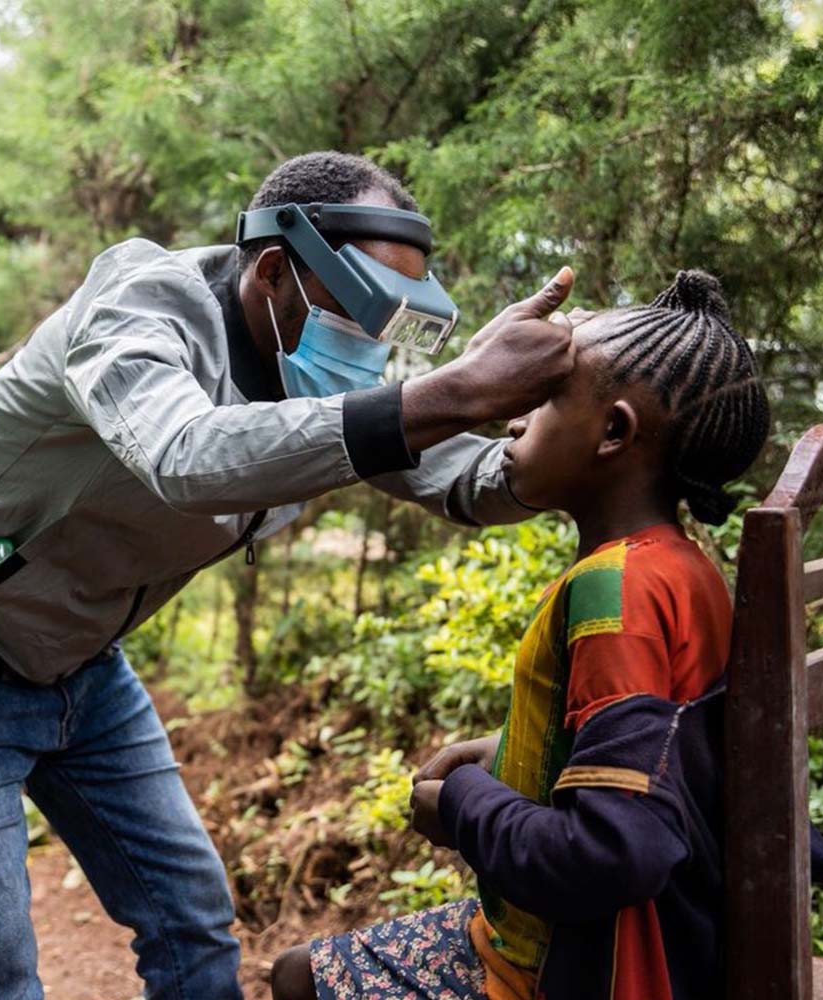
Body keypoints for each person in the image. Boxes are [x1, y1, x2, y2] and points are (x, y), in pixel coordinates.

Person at [0, 151, 576, 1000]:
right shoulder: (140, 308)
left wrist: (562, 438)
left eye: (391, 328)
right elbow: (186, 455)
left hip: (85, 666)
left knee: (192, 920)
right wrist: (450, 392)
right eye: (357, 315)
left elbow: (463, 477)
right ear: (274, 269)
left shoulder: (308, 369)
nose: (369, 351)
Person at [268, 270, 772, 1000]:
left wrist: (465, 803)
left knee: (298, 981)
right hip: (652, 935)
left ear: (614, 432)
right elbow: (655, 760)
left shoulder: (617, 591)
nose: (510, 423)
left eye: (540, 403)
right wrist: (510, 757)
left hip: (580, 967)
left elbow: (611, 851)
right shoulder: (681, 569)